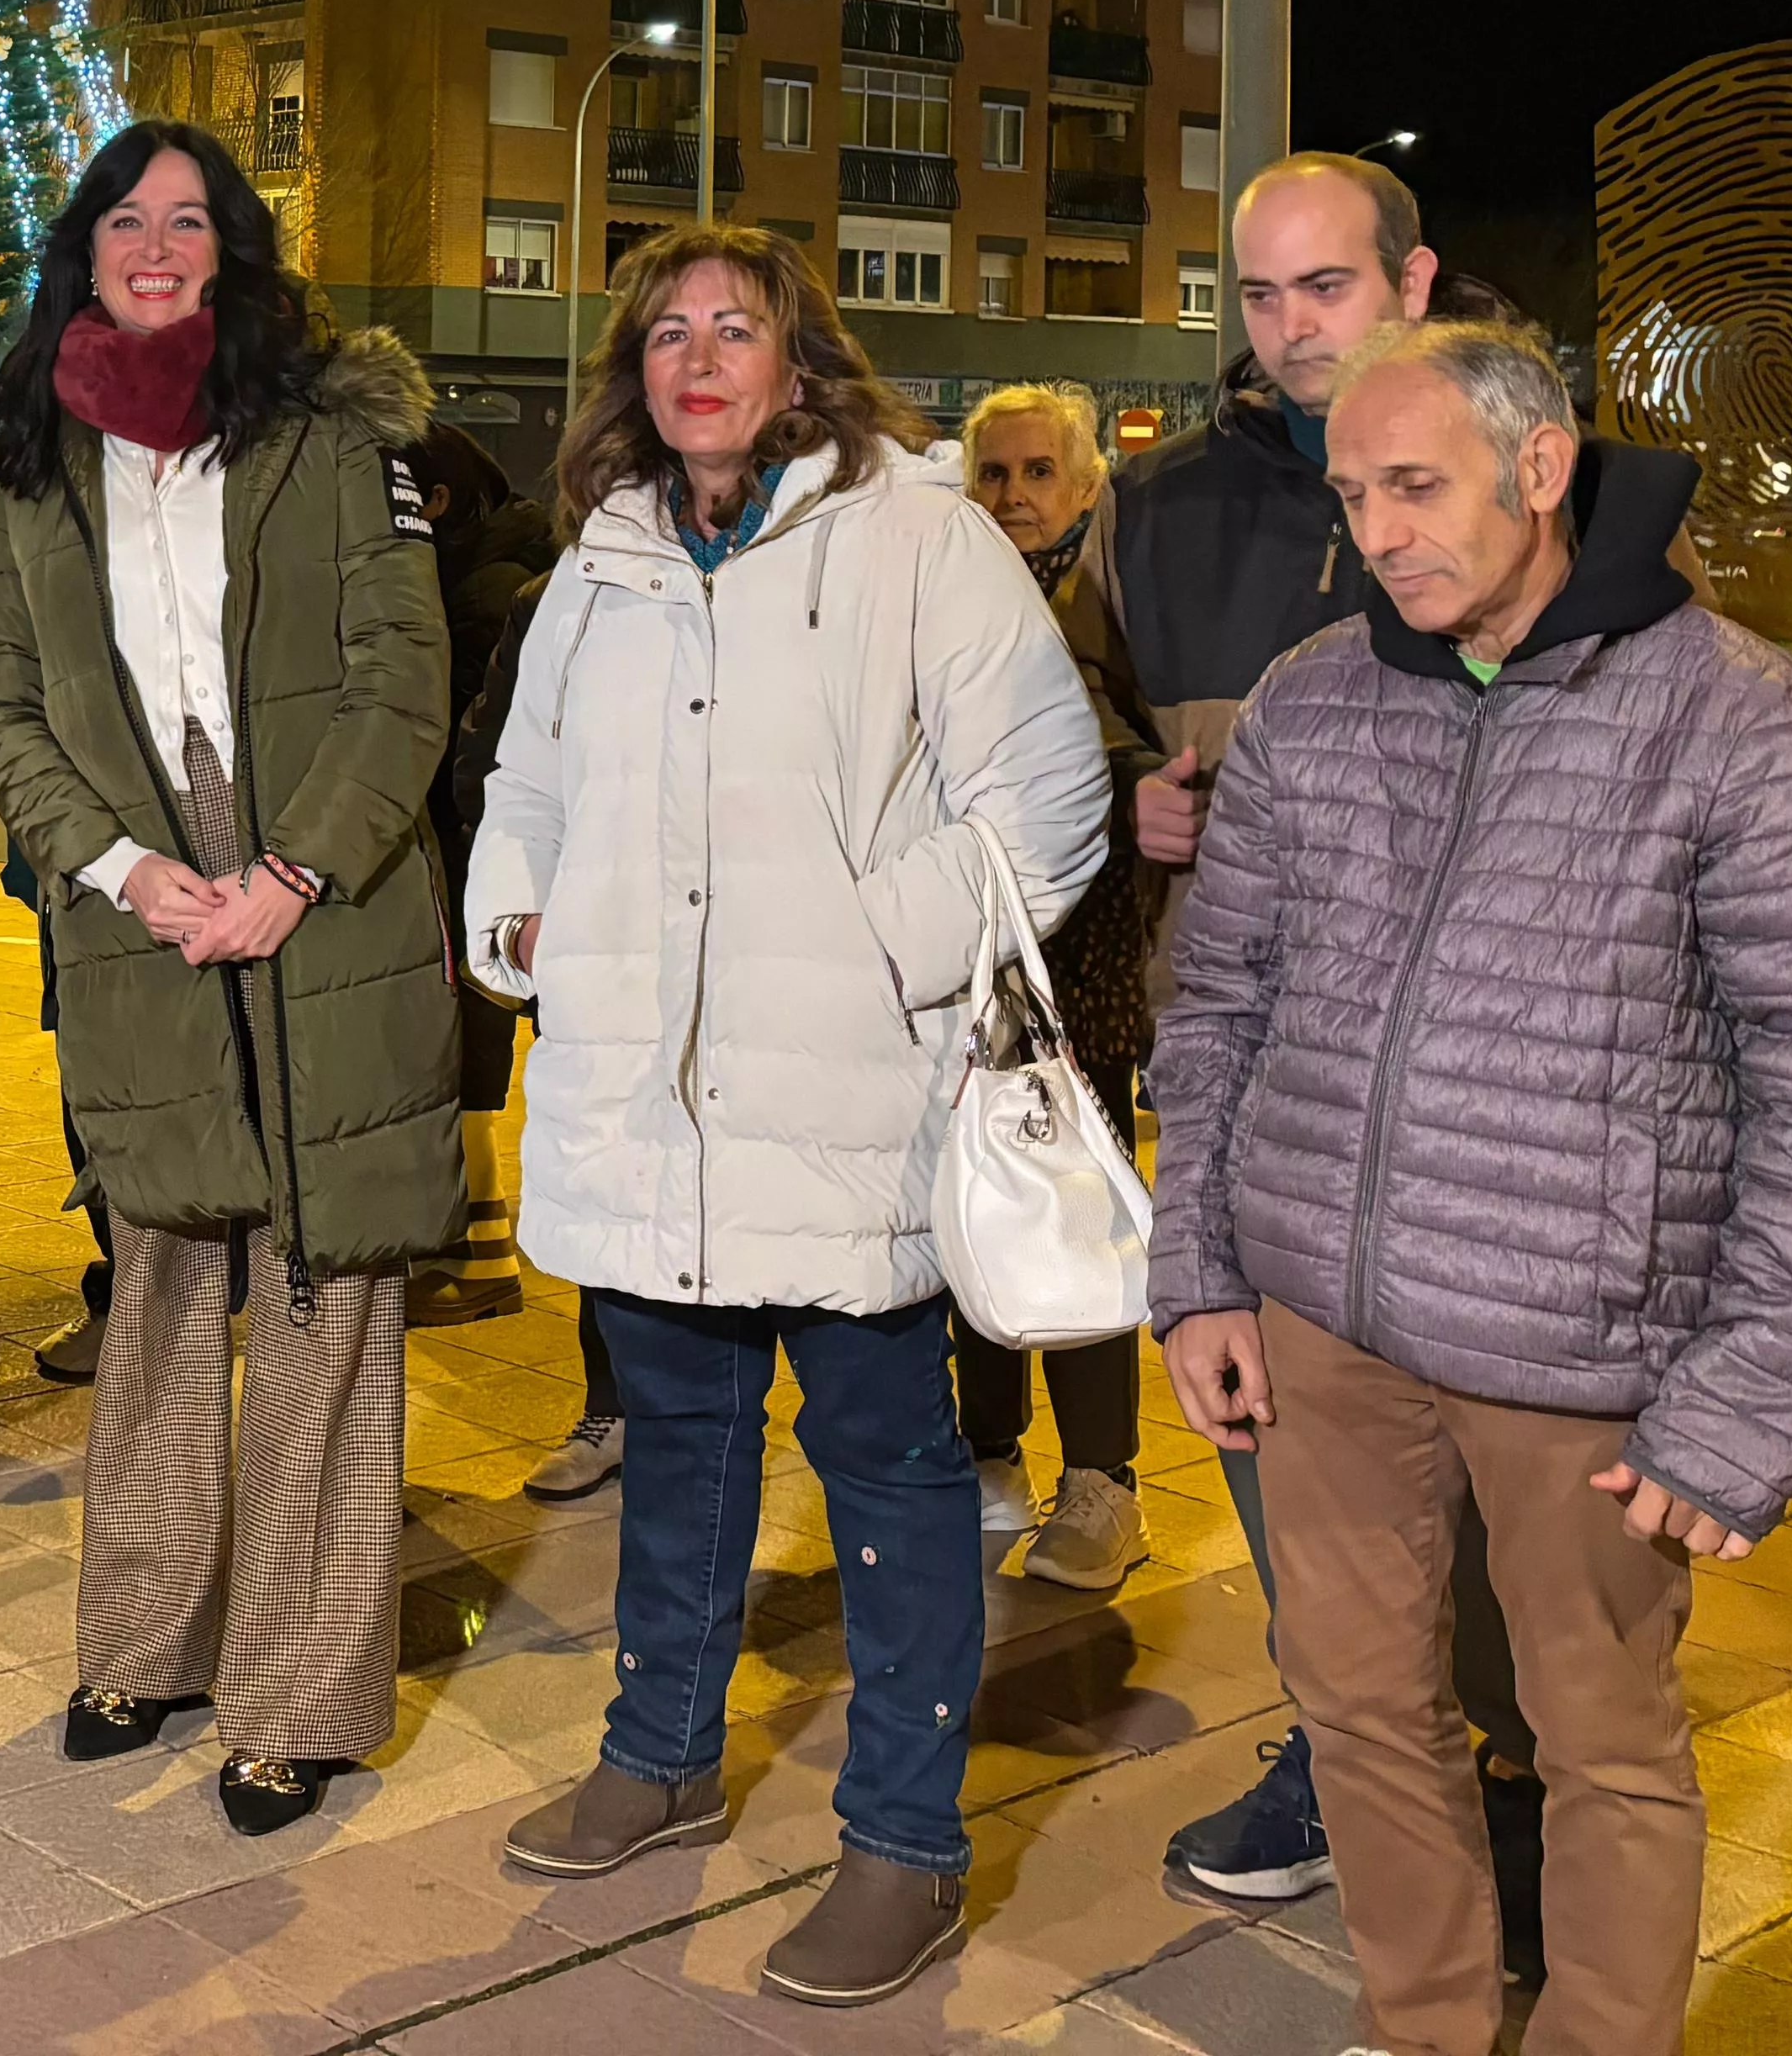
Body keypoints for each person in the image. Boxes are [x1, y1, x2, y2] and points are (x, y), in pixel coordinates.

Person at [1154, 320, 1792, 2056]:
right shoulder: (1311, 697)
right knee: (1358, 1714)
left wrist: (1745, 1409)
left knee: (1599, 1750)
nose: (1380, 533)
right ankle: (1424, 2023)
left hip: (1579, 1361)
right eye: (1354, 495)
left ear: (1538, 467)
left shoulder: (1748, 725)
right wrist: (1201, 1268)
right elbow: (1219, 1005)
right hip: (1324, 1334)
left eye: (1415, 486)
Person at [467, 225, 1107, 2006]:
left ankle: (903, 1847)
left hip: (845, 1093)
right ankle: (659, 1755)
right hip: (641, 1100)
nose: (695, 358)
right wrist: (521, 921)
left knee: (893, 1476)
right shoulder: (600, 558)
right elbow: (523, 777)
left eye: (732, 329)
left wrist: (869, 941)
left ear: (798, 361)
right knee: (676, 1445)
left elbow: (1045, 803)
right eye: (665, 332)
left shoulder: (917, 536)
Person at [0, 119, 461, 1838]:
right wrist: (115, 867)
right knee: (162, 1288)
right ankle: (141, 1645)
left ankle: (302, 1697)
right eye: (126, 219)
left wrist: (297, 869)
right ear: (83, 249)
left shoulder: (333, 429)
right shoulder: (30, 456)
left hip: (324, 879)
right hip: (136, 890)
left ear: (231, 248)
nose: (154, 246)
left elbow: (408, 676)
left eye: (187, 220)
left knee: (324, 1292)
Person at [1106, 153, 1532, 1914]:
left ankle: (1506, 1786)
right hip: (1258, 1057)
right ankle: (1337, 1743)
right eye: (1259, 295)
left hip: (1484, 1075)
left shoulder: (1516, 473)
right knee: (1285, 1448)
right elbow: (1086, 715)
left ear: (1413, 280)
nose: (1287, 332)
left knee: (1498, 1476)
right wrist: (1128, 799)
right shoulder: (1162, 510)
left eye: (1325, 291)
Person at [951, 381, 1162, 1592]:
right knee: (972, 1209)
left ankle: (1105, 1483)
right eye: (995, 472)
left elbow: (1140, 765)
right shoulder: (948, 596)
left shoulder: (1110, 604)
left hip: (1078, 970)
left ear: (1086, 487)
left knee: (1073, 1213)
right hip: (966, 966)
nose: (1015, 495)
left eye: (1039, 473)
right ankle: (991, 1455)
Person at [442, 574, 628, 1504]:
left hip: (748, 957)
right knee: (601, 1185)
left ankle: (710, 1423)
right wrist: (524, 916)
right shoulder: (553, 597)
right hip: (593, 954)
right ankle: (610, 1408)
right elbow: (492, 761)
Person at [401, 420, 559, 1329]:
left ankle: (483, 1258)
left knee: (467, 1056)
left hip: (475, 872)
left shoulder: (483, 593)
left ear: (437, 503)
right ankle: (470, 1247)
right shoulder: (480, 577)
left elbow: (471, 753)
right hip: (470, 867)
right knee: (461, 1055)